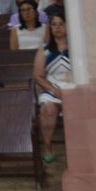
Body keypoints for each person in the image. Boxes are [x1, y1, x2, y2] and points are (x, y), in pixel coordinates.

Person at [33, 11, 72, 164]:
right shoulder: (44, 50)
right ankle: (48, 147)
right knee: (48, 109)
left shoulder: (77, 48)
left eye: (61, 24)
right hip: (51, 89)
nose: (57, 27)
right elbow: (38, 76)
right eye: (54, 24)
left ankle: (77, 149)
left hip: (74, 89)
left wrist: (69, 91)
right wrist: (55, 91)